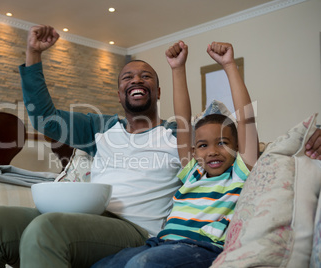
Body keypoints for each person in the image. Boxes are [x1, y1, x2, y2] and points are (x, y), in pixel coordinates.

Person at [0, 25, 183, 268]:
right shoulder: (101, 127)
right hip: (85, 219)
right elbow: (44, 118)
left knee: (48, 228)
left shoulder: (177, 135)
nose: (136, 79)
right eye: (128, 77)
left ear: (158, 92)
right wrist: (33, 54)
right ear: (119, 94)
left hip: (137, 231)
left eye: (146, 76)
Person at [92, 41, 259, 268]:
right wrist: (177, 68)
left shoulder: (238, 172)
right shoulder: (193, 172)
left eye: (222, 143)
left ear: (237, 147)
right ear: (192, 151)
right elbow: (183, 122)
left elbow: (246, 120)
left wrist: (229, 64)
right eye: (202, 145)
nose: (212, 151)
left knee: (141, 264)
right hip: (160, 243)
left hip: (201, 248)